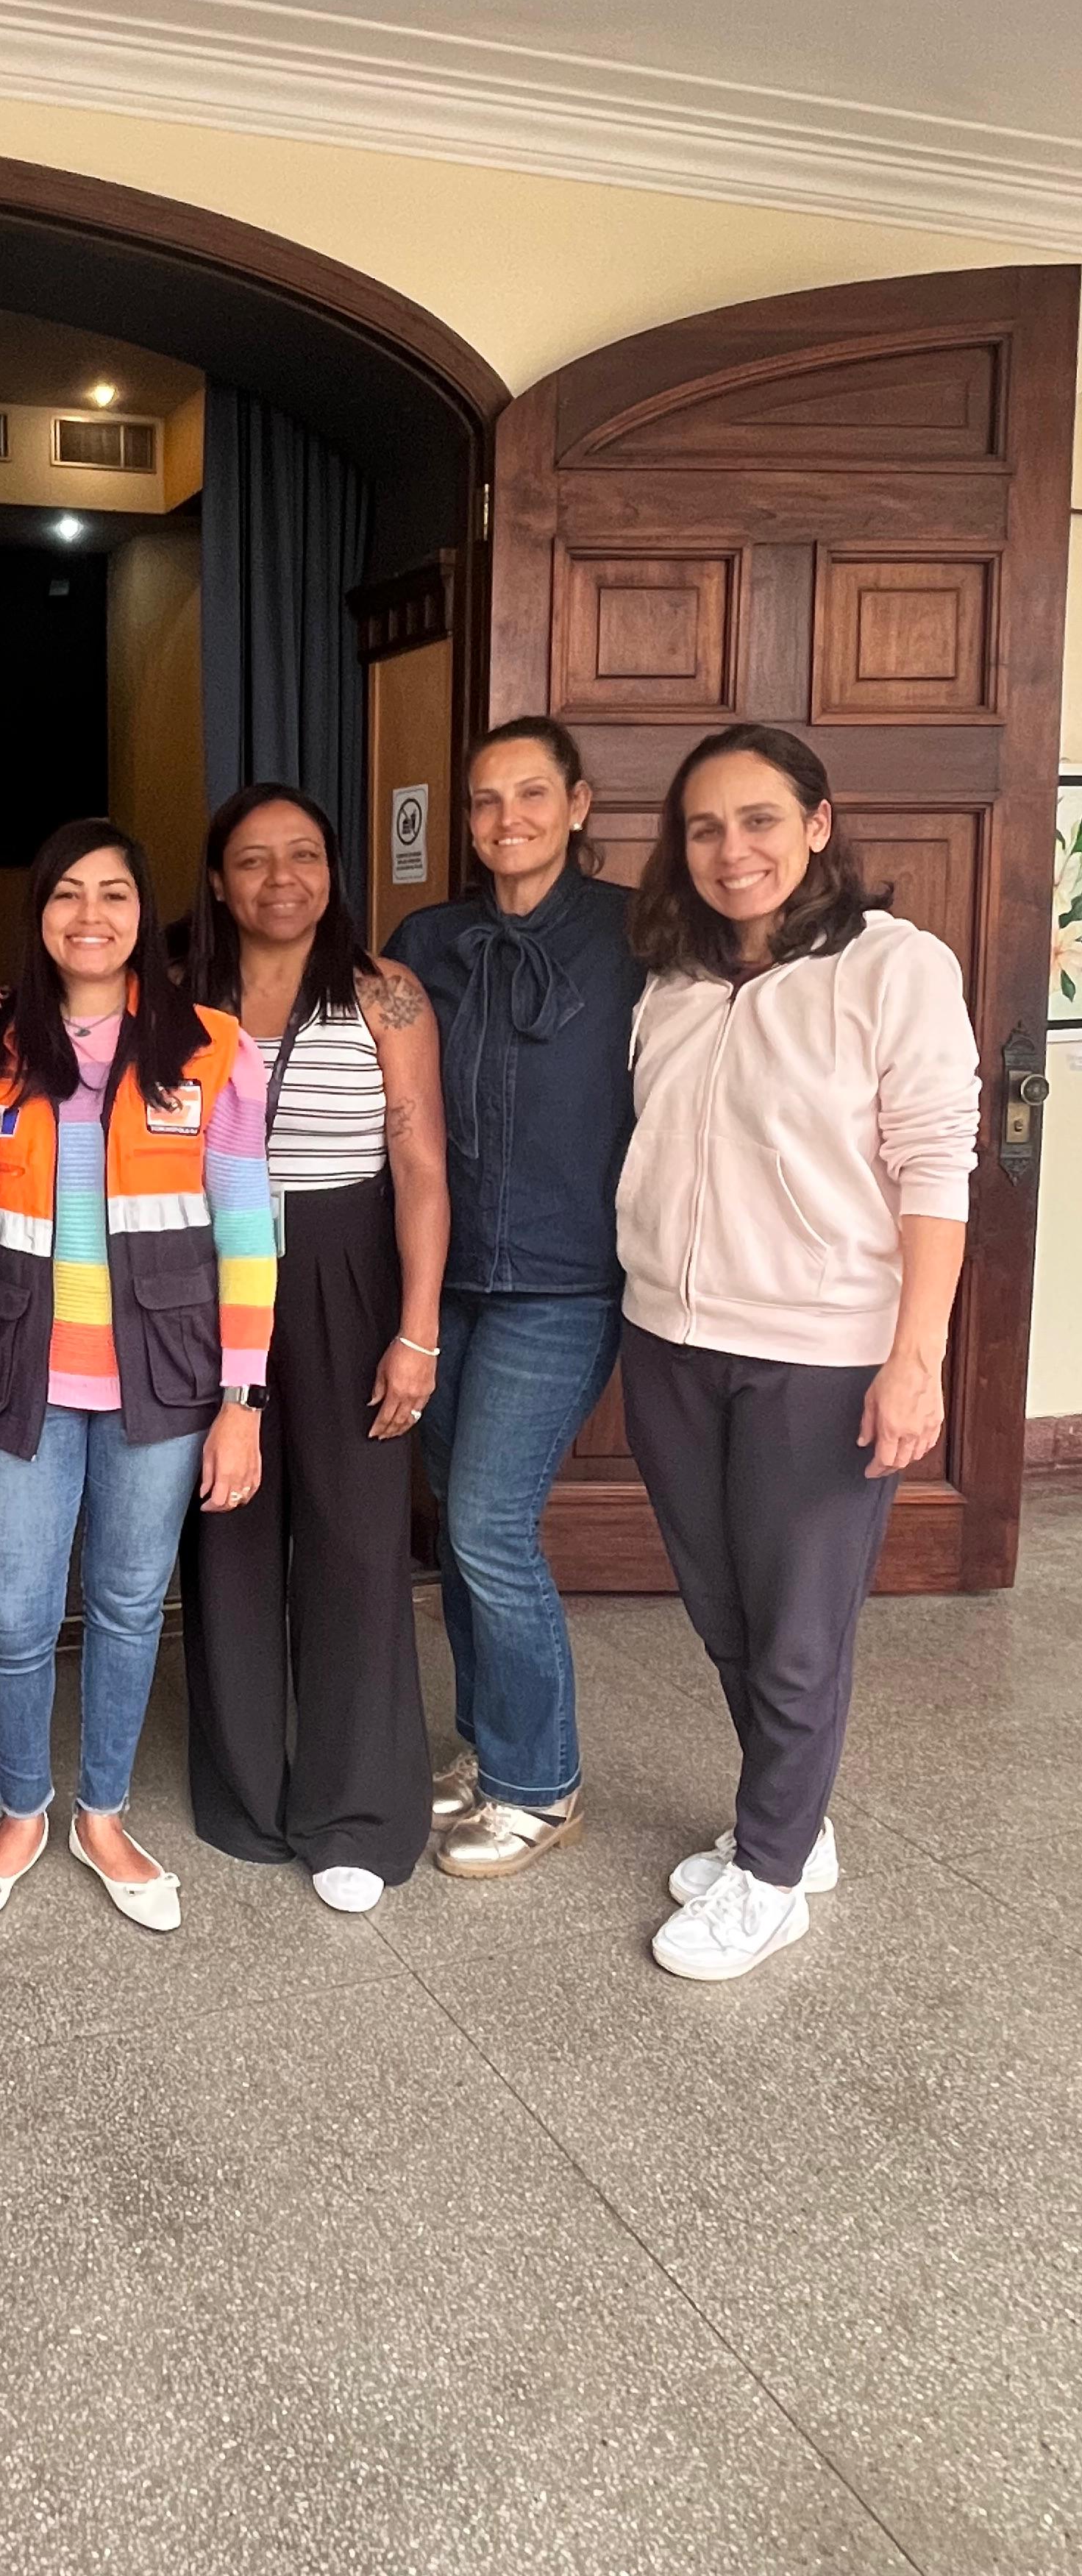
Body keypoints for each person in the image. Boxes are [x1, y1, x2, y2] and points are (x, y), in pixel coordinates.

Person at [619, 725, 977, 1982]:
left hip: (820, 1356)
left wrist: (916, 1358)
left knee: (798, 1631)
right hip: (669, 1340)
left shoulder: (893, 967)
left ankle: (770, 1876)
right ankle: (793, 1821)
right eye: (706, 828)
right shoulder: (671, 980)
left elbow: (936, 1166)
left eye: (761, 819)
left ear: (818, 826)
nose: (734, 850)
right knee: (726, 1613)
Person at [0, 817, 276, 1936]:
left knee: (131, 1608)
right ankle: (20, 1810)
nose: (91, 916)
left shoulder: (210, 1048)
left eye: (115, 894)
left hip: (163, 1381)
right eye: (67, 893)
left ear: (146, 912)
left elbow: (248, 1231)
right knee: (13, 1613)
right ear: (38, 914)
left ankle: (104, 1812)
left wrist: (243, 1399)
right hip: (17, 1372)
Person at [180, 784, 447, 1912]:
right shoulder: (177, 995)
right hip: (207, 1281)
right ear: (217, 880)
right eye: (253, 859)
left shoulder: (385, 993)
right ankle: (244, 1794)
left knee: (357, 1539)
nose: (280, 879)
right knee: (228, 1531)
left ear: (334, 871)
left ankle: (357, 1813)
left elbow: (421, 1166)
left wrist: (416, 1331)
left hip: (347, 1272)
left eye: (303, 855)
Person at [387, 718, 644, 1878]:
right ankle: (488, 1746)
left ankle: (540, 1785)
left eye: (532, 795)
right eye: (486, 800)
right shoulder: (428, 941)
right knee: (460, 1519)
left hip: (565, 1281)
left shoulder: (640, 933)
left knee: (490, 1525)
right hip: (446, 1280)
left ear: (578, 805)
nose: (507, 820)